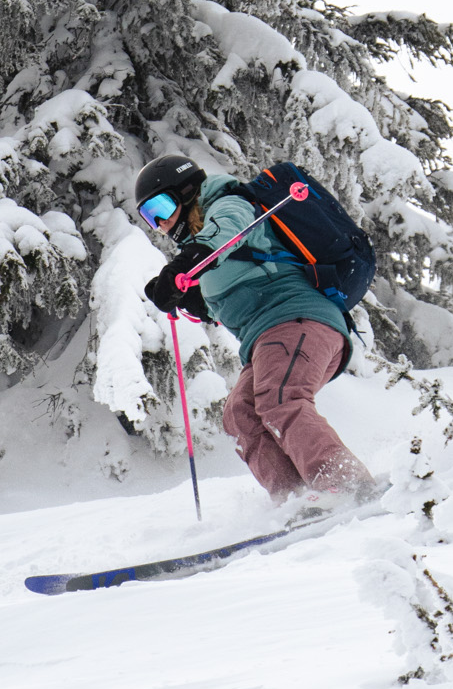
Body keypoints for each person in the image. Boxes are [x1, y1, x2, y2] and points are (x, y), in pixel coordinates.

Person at [136, 154, 378, 504]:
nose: (160, 221)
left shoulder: (227, 203)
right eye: (149, 217)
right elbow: (236, 293)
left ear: (187, 191)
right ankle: (295, 500)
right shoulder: (204, 252)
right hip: (272, 337)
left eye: (161, 206)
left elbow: (227, 233)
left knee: (279, 398)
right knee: (240, 413)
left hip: (298, 319)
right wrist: (187, 297)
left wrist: (182, 268)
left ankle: (350, 487)